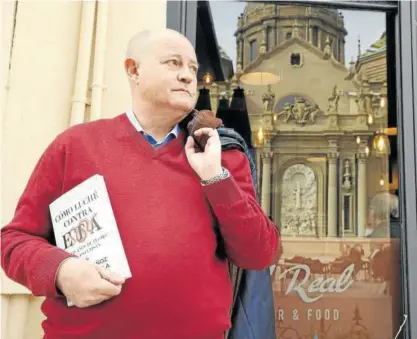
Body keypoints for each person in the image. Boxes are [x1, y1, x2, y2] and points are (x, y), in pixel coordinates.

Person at [1, 29, 280, 339]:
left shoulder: (221, 154)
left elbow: (259, 254)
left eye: (192, 67)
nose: (189, 76)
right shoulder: (75, 146)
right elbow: (14, 241)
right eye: (174, 63)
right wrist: (59, 271)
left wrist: (216, 177)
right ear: (133, 70)